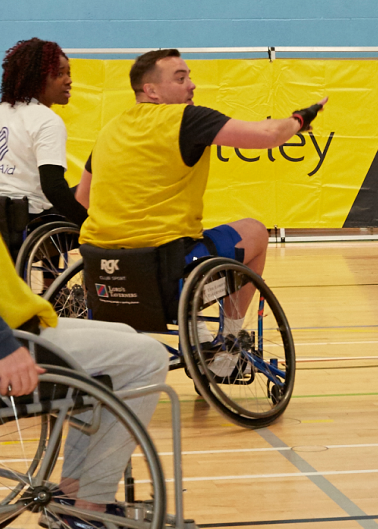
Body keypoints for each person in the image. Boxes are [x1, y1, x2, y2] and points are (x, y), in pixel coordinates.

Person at [0, 131, 171, 529]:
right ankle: (89, 510)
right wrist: (1, 346)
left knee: (123, 339)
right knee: (147, 358)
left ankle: (73, 495)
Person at [78, 49, 325, 341]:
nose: (192, 85)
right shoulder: (185, 118)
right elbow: (268, 134)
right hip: (165, 273)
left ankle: (197, 327)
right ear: (151, 90)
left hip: (101, 275)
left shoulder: (109, 129)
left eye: (189, 77)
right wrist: (300, 118)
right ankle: (228, 347)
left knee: (195, 245)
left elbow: (84, 197)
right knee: (255, 232)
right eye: (181, 78)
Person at [0, 38, 87, 240]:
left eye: (69, 73)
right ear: (37, 78)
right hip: (28, 223)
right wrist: (87, 224)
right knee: (96, 187)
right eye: (59, 74)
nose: (69, 80)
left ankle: (50, 272)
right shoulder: (47, 120)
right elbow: (53, 187)